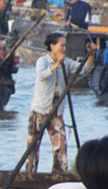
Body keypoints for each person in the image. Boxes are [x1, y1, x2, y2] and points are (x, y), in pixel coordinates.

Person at [25, 32, 96, 173]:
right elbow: (42, 76)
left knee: (61, 148)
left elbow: (84, 70)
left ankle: (59, 176)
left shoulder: (67, 62)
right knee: (33, 148)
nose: (64, 48)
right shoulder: (43, 61)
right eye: (61, 45)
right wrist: (57, 64)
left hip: (56, 112)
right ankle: (30, 175)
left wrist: (91, 54)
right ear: (52, 46)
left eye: (65, 45)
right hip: (39, 111)